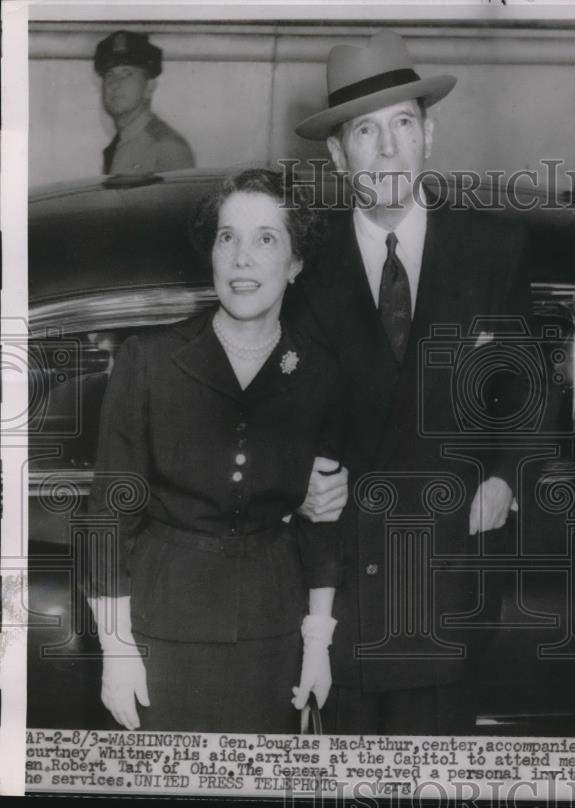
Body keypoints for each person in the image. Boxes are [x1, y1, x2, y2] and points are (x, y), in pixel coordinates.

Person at [288, 29, 533, 734]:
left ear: (430, 133)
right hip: (340, 595)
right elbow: (270, 410)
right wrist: (295, 474)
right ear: (337, 154)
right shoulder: (303, 268)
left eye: (403, 124)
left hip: (446, 587)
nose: (388, 148)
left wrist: (505, 477)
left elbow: (531, 398)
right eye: (366, 131)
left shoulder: (495, 250)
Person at [86, 169, 341, 733]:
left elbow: (324, 528)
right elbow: (107, 519)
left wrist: (318, 642)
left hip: (274, 639)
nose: (241, 258)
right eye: (228, 237)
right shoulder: (149, 361)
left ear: (296, 263)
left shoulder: (317, 372)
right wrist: (117, 650)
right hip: (163, 634)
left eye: (266, 239)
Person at [94, 30, 195, 175]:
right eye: (109, 75)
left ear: (149, 87)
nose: (115, 84)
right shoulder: (118, 145)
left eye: (127, 74)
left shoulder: (167, 148)